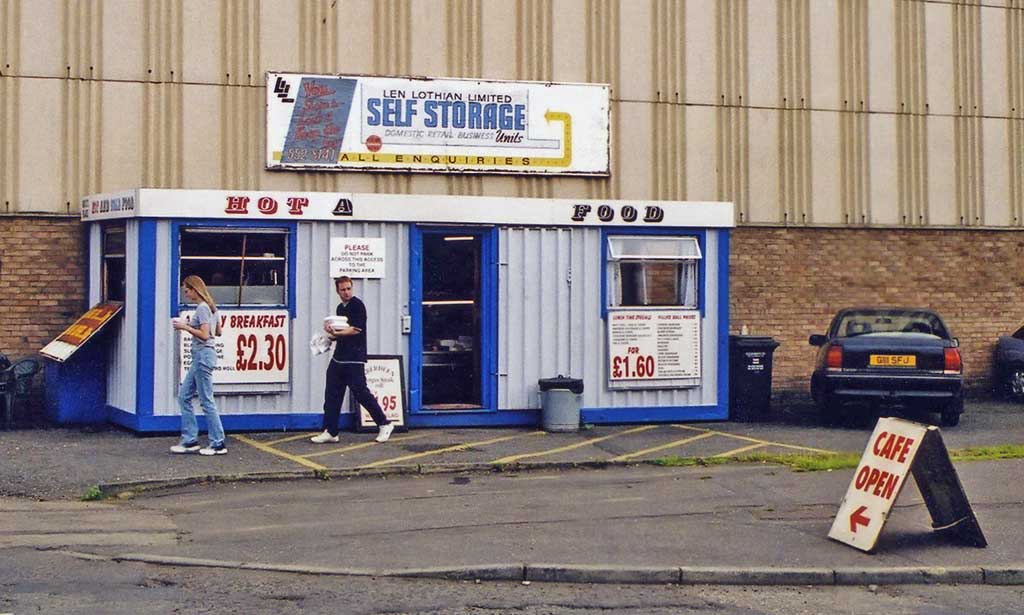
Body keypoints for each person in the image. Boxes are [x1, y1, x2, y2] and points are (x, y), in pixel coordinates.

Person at [312, 276, 394, 444]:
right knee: (332, 394)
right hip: (339, 358)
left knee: (361, 393)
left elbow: (356, 330)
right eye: (343, 290)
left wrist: (336, 333)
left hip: (354, 359)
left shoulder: (358, 306)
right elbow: (342, 332)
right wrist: (328, 336)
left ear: (352, 288)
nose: (346, 292)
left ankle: (384, 423)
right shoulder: (340, 308)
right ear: (337, 291)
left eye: (349, 288)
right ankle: (331, 431)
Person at [171, 275, 227, 456]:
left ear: (194, 289)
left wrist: (184, 327)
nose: (185, 293)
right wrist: (192, 324)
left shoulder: (202, 308)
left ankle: (217, 442)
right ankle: (190, 439)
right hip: (204, 356)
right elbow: (218, 331)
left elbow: (205, 335)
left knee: (206, 400)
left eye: (186, 290)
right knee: (184, 396)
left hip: (202, 356)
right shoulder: (211, 307)